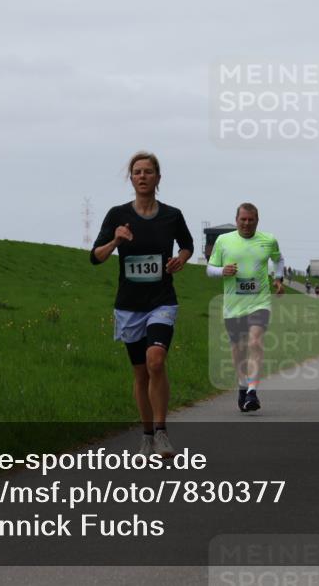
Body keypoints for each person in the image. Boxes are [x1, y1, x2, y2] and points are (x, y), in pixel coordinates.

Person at [91, 151, 194, 458]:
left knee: (156, 360)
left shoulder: (172, 215)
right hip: (129, 305)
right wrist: (116, 242)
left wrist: (181, 260)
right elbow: (95, 257)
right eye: (137, 172)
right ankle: (146, 435)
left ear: (158, 178)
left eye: (149, 172)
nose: (143, 176)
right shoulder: (117, 215)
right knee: (140, 373)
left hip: (162, 301)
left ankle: (161, 433)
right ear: (131, 178)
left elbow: (187, 245)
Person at [207, 203, 285, 412]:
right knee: (238, 349)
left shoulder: (268, 240)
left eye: (251, 220)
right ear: (236, 220)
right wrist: (222, 270)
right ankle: (242, 386)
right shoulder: (224, 241)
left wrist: (278, 279)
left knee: (255, 341)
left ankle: (252, 391)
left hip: (260, 302)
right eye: (243, 219)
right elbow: (209, 269)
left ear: (257, 221)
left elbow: (278, 260)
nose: (247, 223)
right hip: (233, 305)